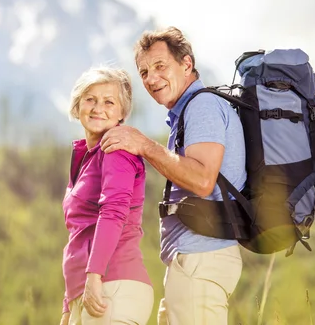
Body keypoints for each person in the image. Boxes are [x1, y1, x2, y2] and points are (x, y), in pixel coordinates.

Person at [100, 27, 246, 325]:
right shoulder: (188, 111)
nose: (151, 78)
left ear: (187, 64)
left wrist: (143, 145)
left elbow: (203, 180)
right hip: (190, 263)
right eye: (143, 72)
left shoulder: (203, 106)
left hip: (201, 260)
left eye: (160, 66)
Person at [61, 66, 154, 325]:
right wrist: (68, 305)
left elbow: (113, 213)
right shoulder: (86, 156)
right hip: (88, 288)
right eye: (90, 99)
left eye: (109, 102)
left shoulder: (116, 149)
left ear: (122, 112)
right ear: (78, 104)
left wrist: (94, 276)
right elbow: (78, 235)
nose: (97, 107)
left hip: (112, 286)